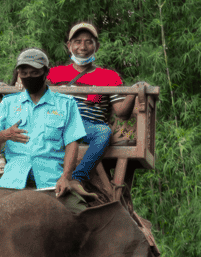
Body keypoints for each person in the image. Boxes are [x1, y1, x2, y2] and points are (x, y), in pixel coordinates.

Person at [46, 21, 144, 192]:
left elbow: (121, 112)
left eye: (88, 41)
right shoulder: (54, 73)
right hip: (60, 123)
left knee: (103, 132)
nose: (82, 47)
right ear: (69, 46)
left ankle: (78, 178)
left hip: (88, 126)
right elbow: (35, 91)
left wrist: (134, 91)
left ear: (96, 46)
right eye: (77, 42)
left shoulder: (109, 77)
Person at [0, 48, 85, 195]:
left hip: (51, 181)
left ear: (45, 72)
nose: (28, 77)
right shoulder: (8, 103)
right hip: (12, 181)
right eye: (23, 74)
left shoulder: (66, 104)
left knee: (80, 213)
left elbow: (72, 143)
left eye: (34, 73)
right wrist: (6, 134)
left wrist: (65, 177)